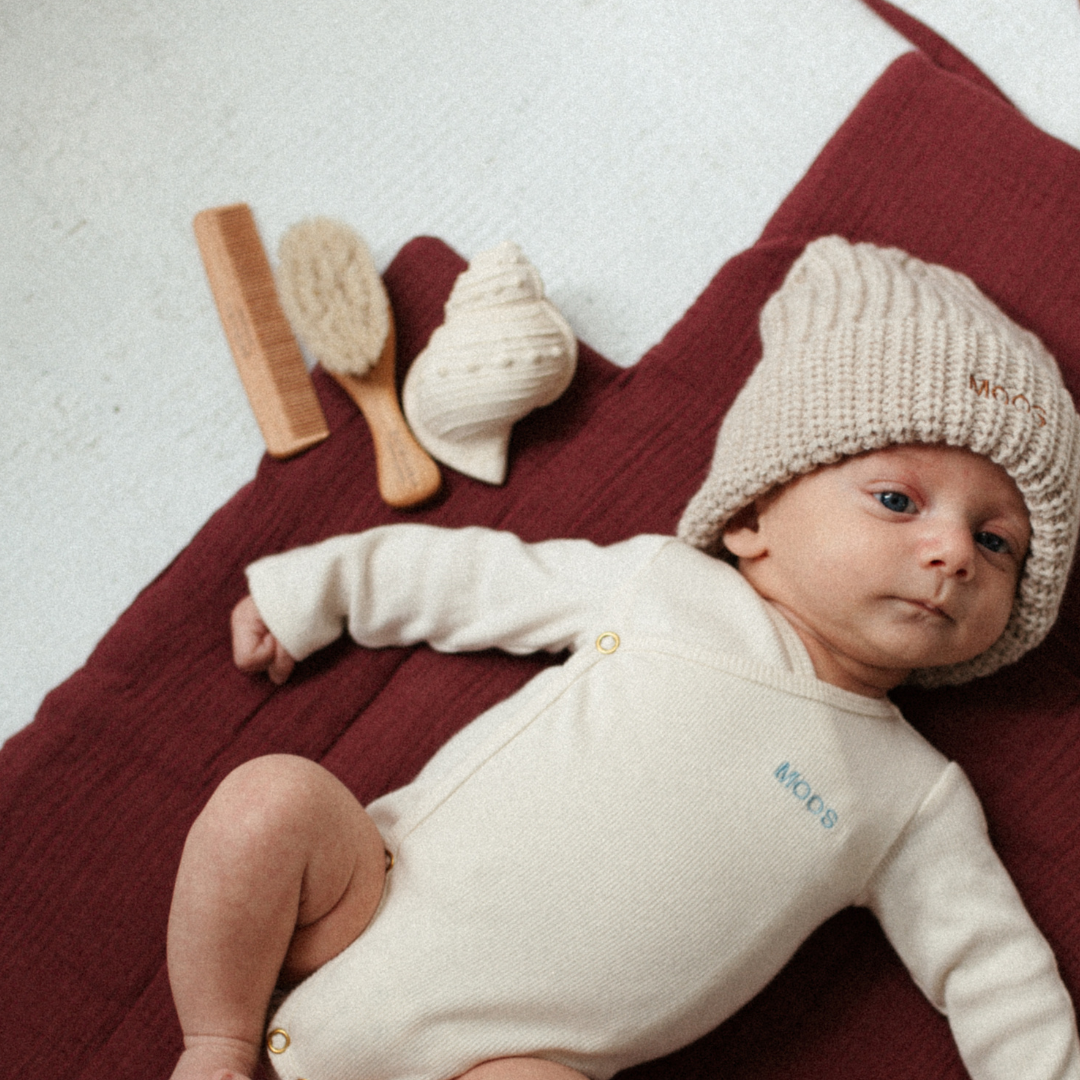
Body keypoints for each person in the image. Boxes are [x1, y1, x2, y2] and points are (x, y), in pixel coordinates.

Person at [167, 236, 1080, 1080]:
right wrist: (320, 594)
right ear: (753, 517)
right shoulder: (663, 586)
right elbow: (475, 577)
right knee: (268, 801)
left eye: (997, 543)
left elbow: (996, 971)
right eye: (896, 499)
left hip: (516, 1058)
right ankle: (215, 1042)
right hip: (361, 900)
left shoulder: (911, 799)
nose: (953, 552)